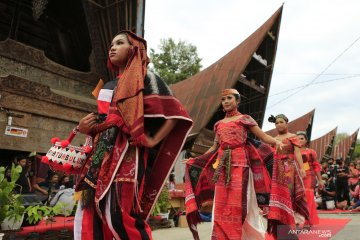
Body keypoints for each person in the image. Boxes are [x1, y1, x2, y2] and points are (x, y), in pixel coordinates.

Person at [74, 30, 192, 240]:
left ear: (134, 50)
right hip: (100, 152)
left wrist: (154, 139)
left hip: (127, 152)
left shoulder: (147, 77)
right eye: (112, 44)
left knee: (118, 214)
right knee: (89, 214)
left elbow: (175, 113)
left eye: (119, 43)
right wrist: (83, 128)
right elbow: (102, 121)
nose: (112, 47)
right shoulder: (107, 86)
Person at [184, 89, 283, 240]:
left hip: (241, 165)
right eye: (223, 99)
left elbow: (262, 136)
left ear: (238, 101)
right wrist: (196, 160)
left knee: (238, 205)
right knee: (221, 205)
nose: (226, 101)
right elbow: (214, 147)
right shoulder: (218, 124)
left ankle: (240, 236)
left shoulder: (245, 119)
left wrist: (276, 141)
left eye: (229, 98)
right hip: (222, 167)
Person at [267, 114, 308, 238]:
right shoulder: (274, 139)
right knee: (279, 196)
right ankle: (281, 222)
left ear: (286, 123)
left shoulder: (293, 137)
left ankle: (293, 223)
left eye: (281, 122)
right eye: (277, 123)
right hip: (277, 168)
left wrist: (302, 168)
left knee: (290, 195)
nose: (279, 124)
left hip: (290, 168)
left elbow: (297, 153)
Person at [297, 131, 323, 226]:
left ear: (306, 140)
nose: (299, 140)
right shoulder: (293, 152)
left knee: (307, 197)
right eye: (297, 138)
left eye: (302, 138)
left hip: (309, 176)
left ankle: (308, 221)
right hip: (297, 177)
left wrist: (320, 180)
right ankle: (299, 220)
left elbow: (316, 166)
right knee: (298, 198)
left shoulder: (311, 152)